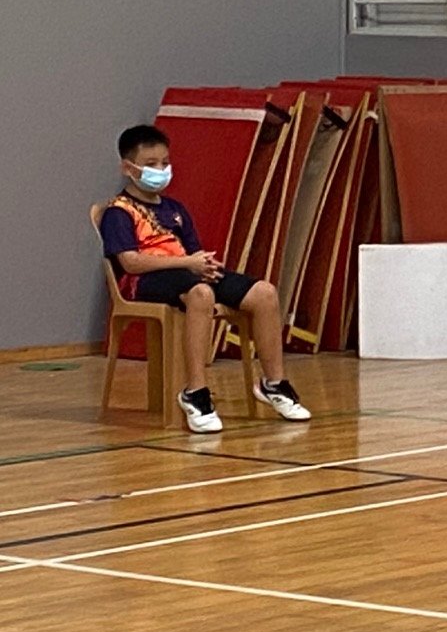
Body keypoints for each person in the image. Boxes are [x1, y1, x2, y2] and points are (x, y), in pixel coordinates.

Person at [99, 123, 311, 433]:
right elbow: (130, 263)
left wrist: (206, 265)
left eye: (165, 163)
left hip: (186, 273)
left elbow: (195, 252)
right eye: (151, 164)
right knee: (201, 294)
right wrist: (188, 263)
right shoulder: (119, 211)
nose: (161, 170)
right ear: (128, 168)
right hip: (144, 281)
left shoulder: (175, 209)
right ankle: (195, 392)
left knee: (264, 293)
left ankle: (273, 384)